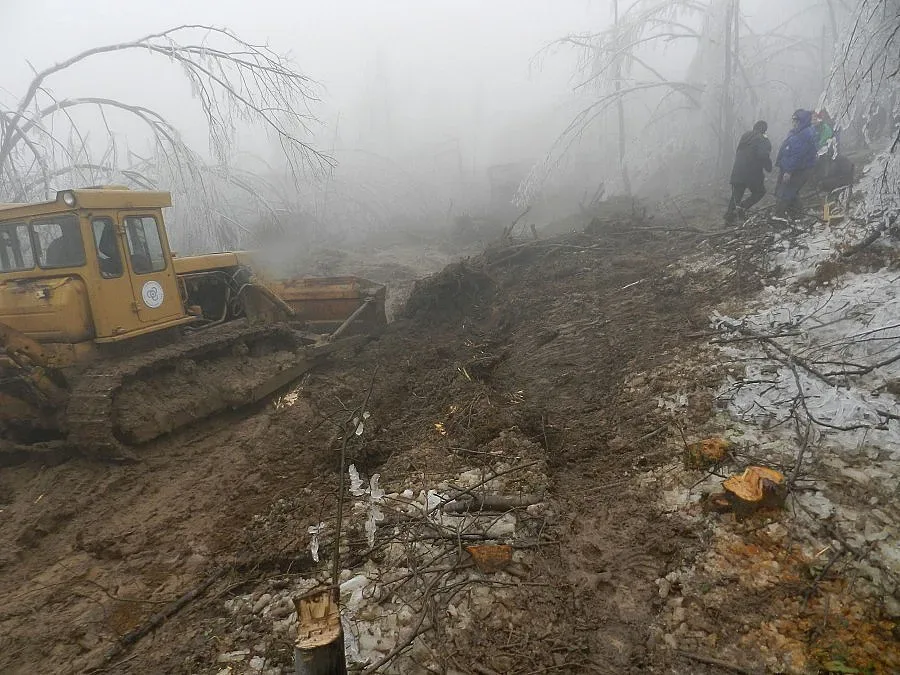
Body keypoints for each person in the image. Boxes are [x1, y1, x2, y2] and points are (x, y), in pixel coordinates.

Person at [725, 120, 772, 224]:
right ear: (764, 130)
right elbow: (763, 155)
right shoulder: (763, 139)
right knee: (760, 192)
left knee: (736, 195)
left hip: (737, 171)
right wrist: (769, 166)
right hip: (753, 173)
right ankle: (742, 208)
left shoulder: (745, 136)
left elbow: (739, 151)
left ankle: (729, 219)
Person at [774, 109, 819, 219]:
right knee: (789, 192)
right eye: (793, 120)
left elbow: (797, 155)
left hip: (799, 170)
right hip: (794, 168)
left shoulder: (804, 134)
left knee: (786, 193)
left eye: (796, 120)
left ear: (802, 121)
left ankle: (779, 217)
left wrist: (788, 171)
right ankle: (796, 216)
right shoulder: (798, 132)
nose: (794, 123)